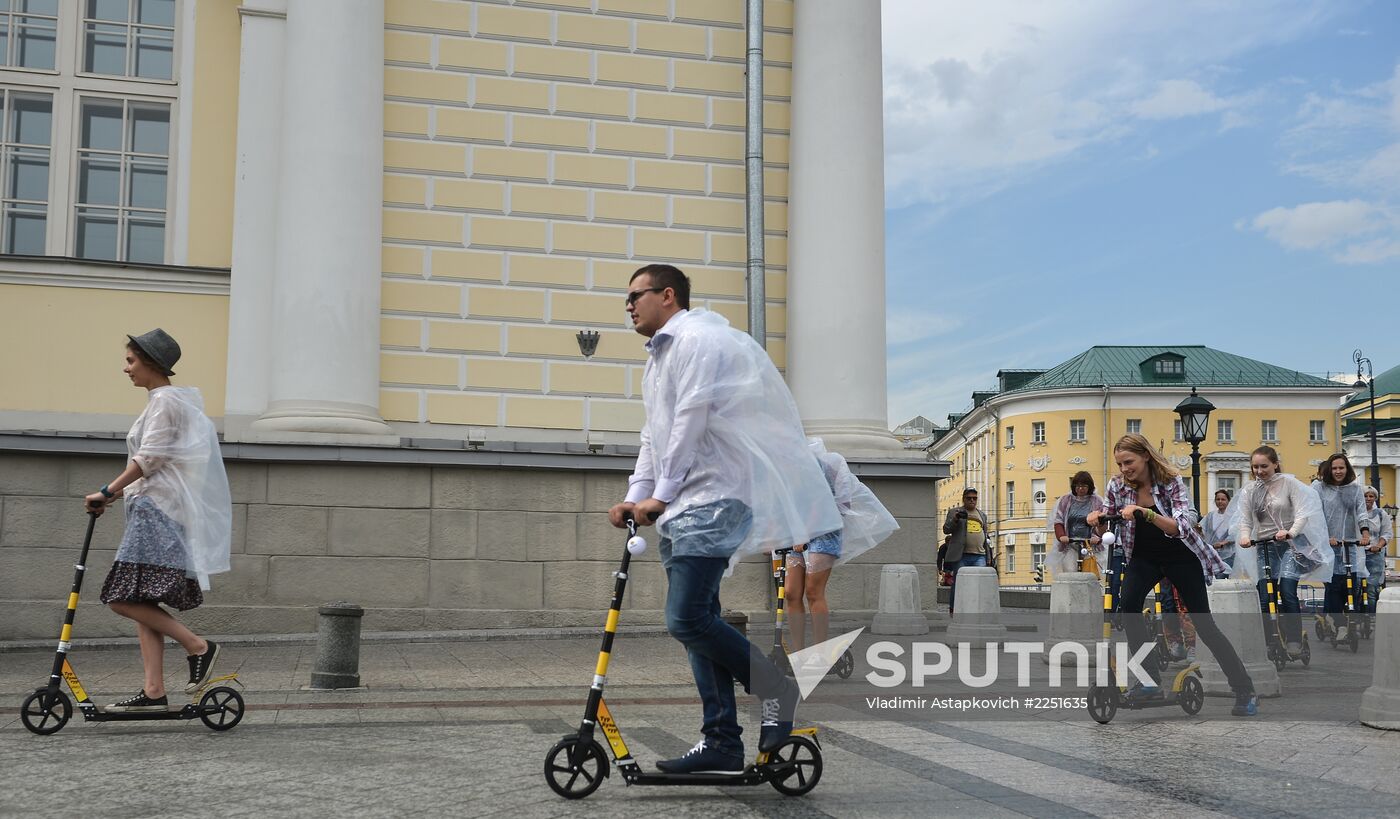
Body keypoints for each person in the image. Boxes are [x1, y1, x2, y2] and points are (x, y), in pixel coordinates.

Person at [607, 264, 840, 775]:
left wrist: (661, 496)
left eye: (635, 296)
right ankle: (722, 743)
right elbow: (656, 436)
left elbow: (692, 417)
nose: (628, 305)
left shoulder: (698, 341)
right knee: (699, 624)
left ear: (667, 296)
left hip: (714, 498)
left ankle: (776, 687)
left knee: (686, 619)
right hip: (683, 506)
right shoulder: (658, 358)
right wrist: (636, 495)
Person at [83, 329, 232, 712]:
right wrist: (118, 496)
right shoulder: (161, 401)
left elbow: (150, 458)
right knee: (138, 597)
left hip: (157, 511)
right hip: (151, 509)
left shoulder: (165, 401)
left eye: (131, 361)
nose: (126, 368)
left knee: (119, 598)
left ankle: (198, 645)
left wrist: (107, 491)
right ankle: (153, 692)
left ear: (150, 362)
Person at [1087, 433, 1258, 716]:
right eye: (1119, 464)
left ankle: (1244, 689)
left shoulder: (1170, 482)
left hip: (1180, 556)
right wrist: (1097, 520)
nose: (1124, 469)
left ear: (1145, 455)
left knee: (1204, 625)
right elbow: (1108, 523)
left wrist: (1146, 513)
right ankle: (1149, 681)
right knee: (1128, 606)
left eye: (1128, 462)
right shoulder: (1117, 486)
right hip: (1143, 558)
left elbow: (1181, 528)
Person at [786, 439, 898, 652]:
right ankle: (797, 651)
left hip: (823, 532)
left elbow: (831, 502)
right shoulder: (787, 468)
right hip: (794, 534)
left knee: (812, 591)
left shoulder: (826, 464)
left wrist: (807, 533)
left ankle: (819, 652)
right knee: (791, 593)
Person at [1234, 446, 1332, 658]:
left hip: (1290, 545)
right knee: (1264, 594)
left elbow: (1302, 513)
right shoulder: (1250, 490)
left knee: (1287, 590)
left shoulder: (1289, 484)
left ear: (1275, 464)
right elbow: (1245, 519)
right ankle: (1268, 640)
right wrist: (1244, 536)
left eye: (1264, 466)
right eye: (1255, 467)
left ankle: (1295, 639)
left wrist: (1290, 532)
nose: (1259, 471)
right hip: (1263, 546)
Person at [1312, 454, 1371, 633]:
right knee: (1334, 585)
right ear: (1329, 469)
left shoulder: (1354, 489)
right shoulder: (1320, 488)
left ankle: (1340, 616)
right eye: (1334, 468)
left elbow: (1361, 512)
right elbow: (1315, 515)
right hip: (1328, 545)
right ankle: (1338, 623)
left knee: (1351, 584)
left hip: (1349, 544)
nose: (1338, 471)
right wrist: (1326, 537)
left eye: (1341, 468)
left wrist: (1365, 534)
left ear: (1347, 469)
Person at [1047, 471, 1103, 579]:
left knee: (1090, 575)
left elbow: (1101, 522)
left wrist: (1096, 537)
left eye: (1084, 486)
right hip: (1070, 545)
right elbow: (1059, 520)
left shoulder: (1097, 501)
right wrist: (1061, 536)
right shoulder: (1065, 500)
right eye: (1078, 486)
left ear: (1089, 487)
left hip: (1090, 546)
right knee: (1070, 572)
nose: (1080, 489)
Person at [942, 488, 990, 614]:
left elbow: (985, 534)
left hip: (979, 554)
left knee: (980, 582)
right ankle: (954, 609)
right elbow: (946, 530)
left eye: (974, 498)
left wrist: (988, 555)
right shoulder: (954, 512)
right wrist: (956, 519)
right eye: (969, 498)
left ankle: (977, 609)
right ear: (963, 499)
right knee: (959, 582)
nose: (972, 501)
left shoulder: (982, 515)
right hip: (961, 555)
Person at [1361, 487, 1391, 611]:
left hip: (1374, 555)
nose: (1368, 498)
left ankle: (1371, 618)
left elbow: (1387, 533)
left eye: (1371, 496)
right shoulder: (1356, 513)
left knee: (1371, 589)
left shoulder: (1380, 514)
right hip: (1357, 554)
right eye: (1365, 495)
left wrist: (1378, 546)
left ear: (1375, 498)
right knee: (1354, 587)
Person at [1201, 489, 1236, 578]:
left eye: (1223, 499)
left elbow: (1237, 532)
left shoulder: (1234, 516)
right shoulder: (1210, 516)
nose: (1220, 501)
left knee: (1222, 577)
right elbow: (1201, 528)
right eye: (1218, 499)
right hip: (1212, 553)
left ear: (1228, 501)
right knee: (1211, 578)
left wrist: (1224, 542)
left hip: (1228, 554)